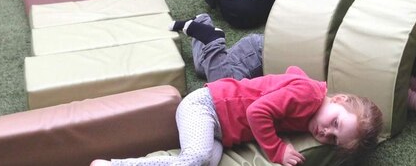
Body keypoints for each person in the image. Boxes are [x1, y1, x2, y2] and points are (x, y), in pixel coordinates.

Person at [90, 66, 383, 166]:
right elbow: (257, 111)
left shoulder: (310, 100)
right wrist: (278, 149)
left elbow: (293, 71)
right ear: (339, 99)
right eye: (335, 123)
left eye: (332, 139)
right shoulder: (308, 96)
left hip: (220, 129)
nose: (325, 133)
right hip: (206, 107)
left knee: (206, 161)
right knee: (194, 159)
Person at [171, 14, 264, 83]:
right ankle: (212, 40)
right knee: (224, 88)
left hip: (262, 48)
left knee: (205, 67)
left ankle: (201, 23)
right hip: (260, 51)